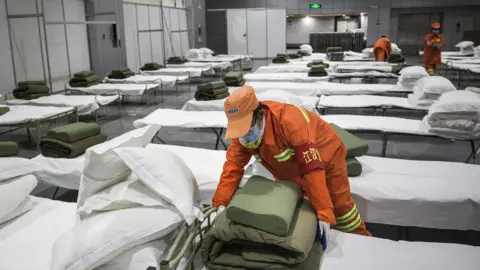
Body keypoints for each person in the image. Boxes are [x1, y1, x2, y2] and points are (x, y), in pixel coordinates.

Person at [211, 85, 371, 250]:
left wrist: (324, 211)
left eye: (246, 129)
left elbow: (312, 168)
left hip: (326, 156)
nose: (243, 136)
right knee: (300, 202)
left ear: (259, 114)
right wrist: (220, 202)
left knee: (341, 207)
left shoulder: (290, 122)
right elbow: (233, 165)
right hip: (290, 165)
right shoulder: (243, 134)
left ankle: (364, 243)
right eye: (239, 131)